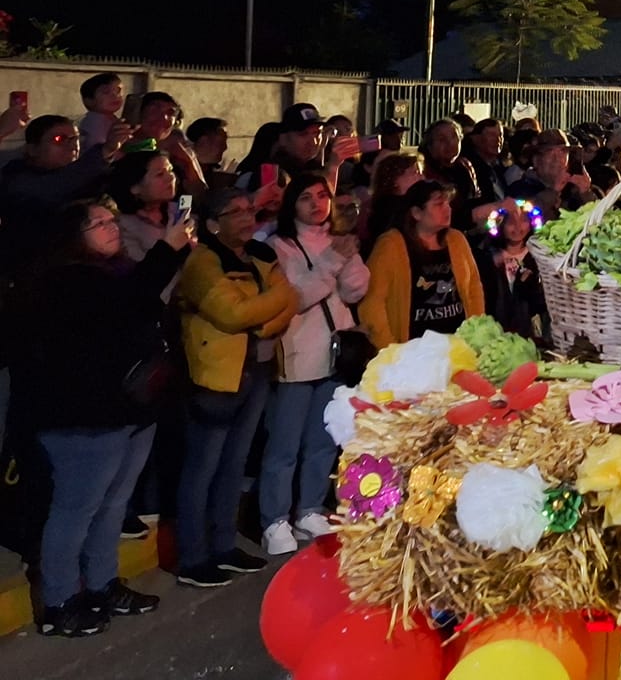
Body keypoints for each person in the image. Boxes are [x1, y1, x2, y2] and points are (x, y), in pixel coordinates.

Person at [18, 197, 189, 636]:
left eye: (112, 220)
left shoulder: (119, 271)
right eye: (97, 223)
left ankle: (101, 584)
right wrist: (167, 249)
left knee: (112, 505)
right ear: (74, 235)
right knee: (76, 508)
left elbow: (142, 306)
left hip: (129, 409)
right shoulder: (65, 280)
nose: (110, 228)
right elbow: (122, 307)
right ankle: (58, 601)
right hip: (83, 416)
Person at [175, 185, 298, 588]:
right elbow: (231, 314)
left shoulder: (260, 256)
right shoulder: (203, 262)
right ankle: (193, 557)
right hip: (217, 377)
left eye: (250, 210)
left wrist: (264, 320)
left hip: (256, 372)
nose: (248, 218)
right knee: (202, 469)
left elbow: (287, 305)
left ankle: (224, 546)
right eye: (236, 212)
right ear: (212, 224)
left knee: (233, 465)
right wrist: (276, 301)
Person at [257, 173, 368, 556]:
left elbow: (356, 289)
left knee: (323, 440)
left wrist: (346, 256)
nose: (317, 204)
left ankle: (308, 508)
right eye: (306, 198)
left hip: (337, 354)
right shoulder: (279, 246)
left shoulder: (336, 241)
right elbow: (296, 296)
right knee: (285, 443)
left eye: (322, 196)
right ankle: (274, 518)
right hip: (299, 355)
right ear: (292, 205)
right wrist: (334, 261)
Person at [362, 180, 484, 349]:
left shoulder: (456, 239)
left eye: (448, 203)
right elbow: (372, 303)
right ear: (416, 213)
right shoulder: (391, 245)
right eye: (439, 204)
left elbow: (473, 287)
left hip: (457, 345)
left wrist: (476, 333)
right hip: (412, 350)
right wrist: (390, 348)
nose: (447, 209)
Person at [0, 115, 105, 272]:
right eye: (59, 139)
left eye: (75, 138)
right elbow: (55, 185)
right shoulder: (18, 180)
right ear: (33, 149)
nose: (72, 146)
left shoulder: (86, 179)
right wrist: (105, 151)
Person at [481, 199, 550, 348]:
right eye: (511, 222)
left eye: (524, 220)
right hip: (497, 333)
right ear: (500, 224)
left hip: (530, 335)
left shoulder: (538, 256)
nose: (518, 227)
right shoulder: (488, 258)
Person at [107, 143, 185, 263]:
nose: (171, 178)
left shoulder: (180, 209)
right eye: (160, 174)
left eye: (170, 170)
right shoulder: (124, 226)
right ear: (135, 187)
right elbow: (144, 271)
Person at [75, 73, 126, 157]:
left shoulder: (110, 118)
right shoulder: (95, 121)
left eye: (118, 91)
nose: (115, 95)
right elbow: (98, 148)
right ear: (89, 100)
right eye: (106, 92)